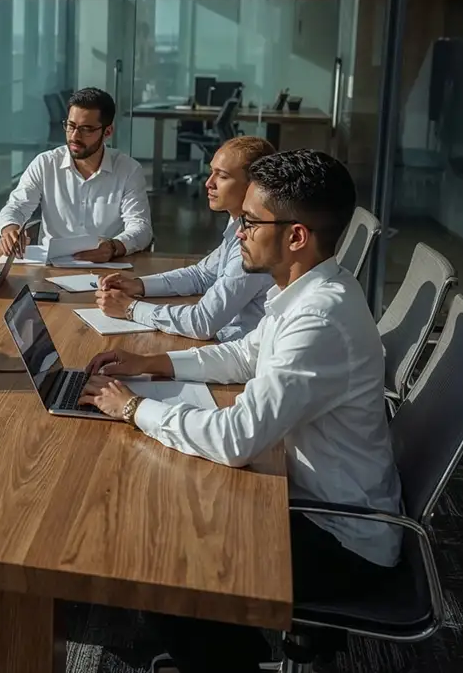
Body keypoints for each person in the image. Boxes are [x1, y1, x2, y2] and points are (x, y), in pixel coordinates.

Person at [77, 150, 401, 672]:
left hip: (343, 536)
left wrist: (134, 407)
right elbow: (245, 354)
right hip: (303, 495)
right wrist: (153, 362)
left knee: (158, 550)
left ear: (296, 236)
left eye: (250, 223)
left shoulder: (321, 317)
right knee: (172, 506)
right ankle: (219, 651)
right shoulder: (306, 292)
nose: (239, 234)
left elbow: (236, 441)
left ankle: (223, 659)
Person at [95, 136, 275, 342]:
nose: (209, 183)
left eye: (222, 176)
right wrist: (137, 286)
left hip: (235, 356)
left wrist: (130, 308)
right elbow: (201, 275)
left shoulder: (255, 243)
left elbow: (202, 323)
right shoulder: (238, 224)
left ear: (253, 186)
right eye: (211, 172)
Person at [0, 88, 152, 264]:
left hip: (106, 269)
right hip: (49, 268)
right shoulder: (46, 164)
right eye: (70, 126)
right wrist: (10, 229)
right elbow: (16, 207)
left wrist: (114, 246)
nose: (74, 136)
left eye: (86, 129)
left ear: (107, 132)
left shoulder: (128, 170)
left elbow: (141, 227)